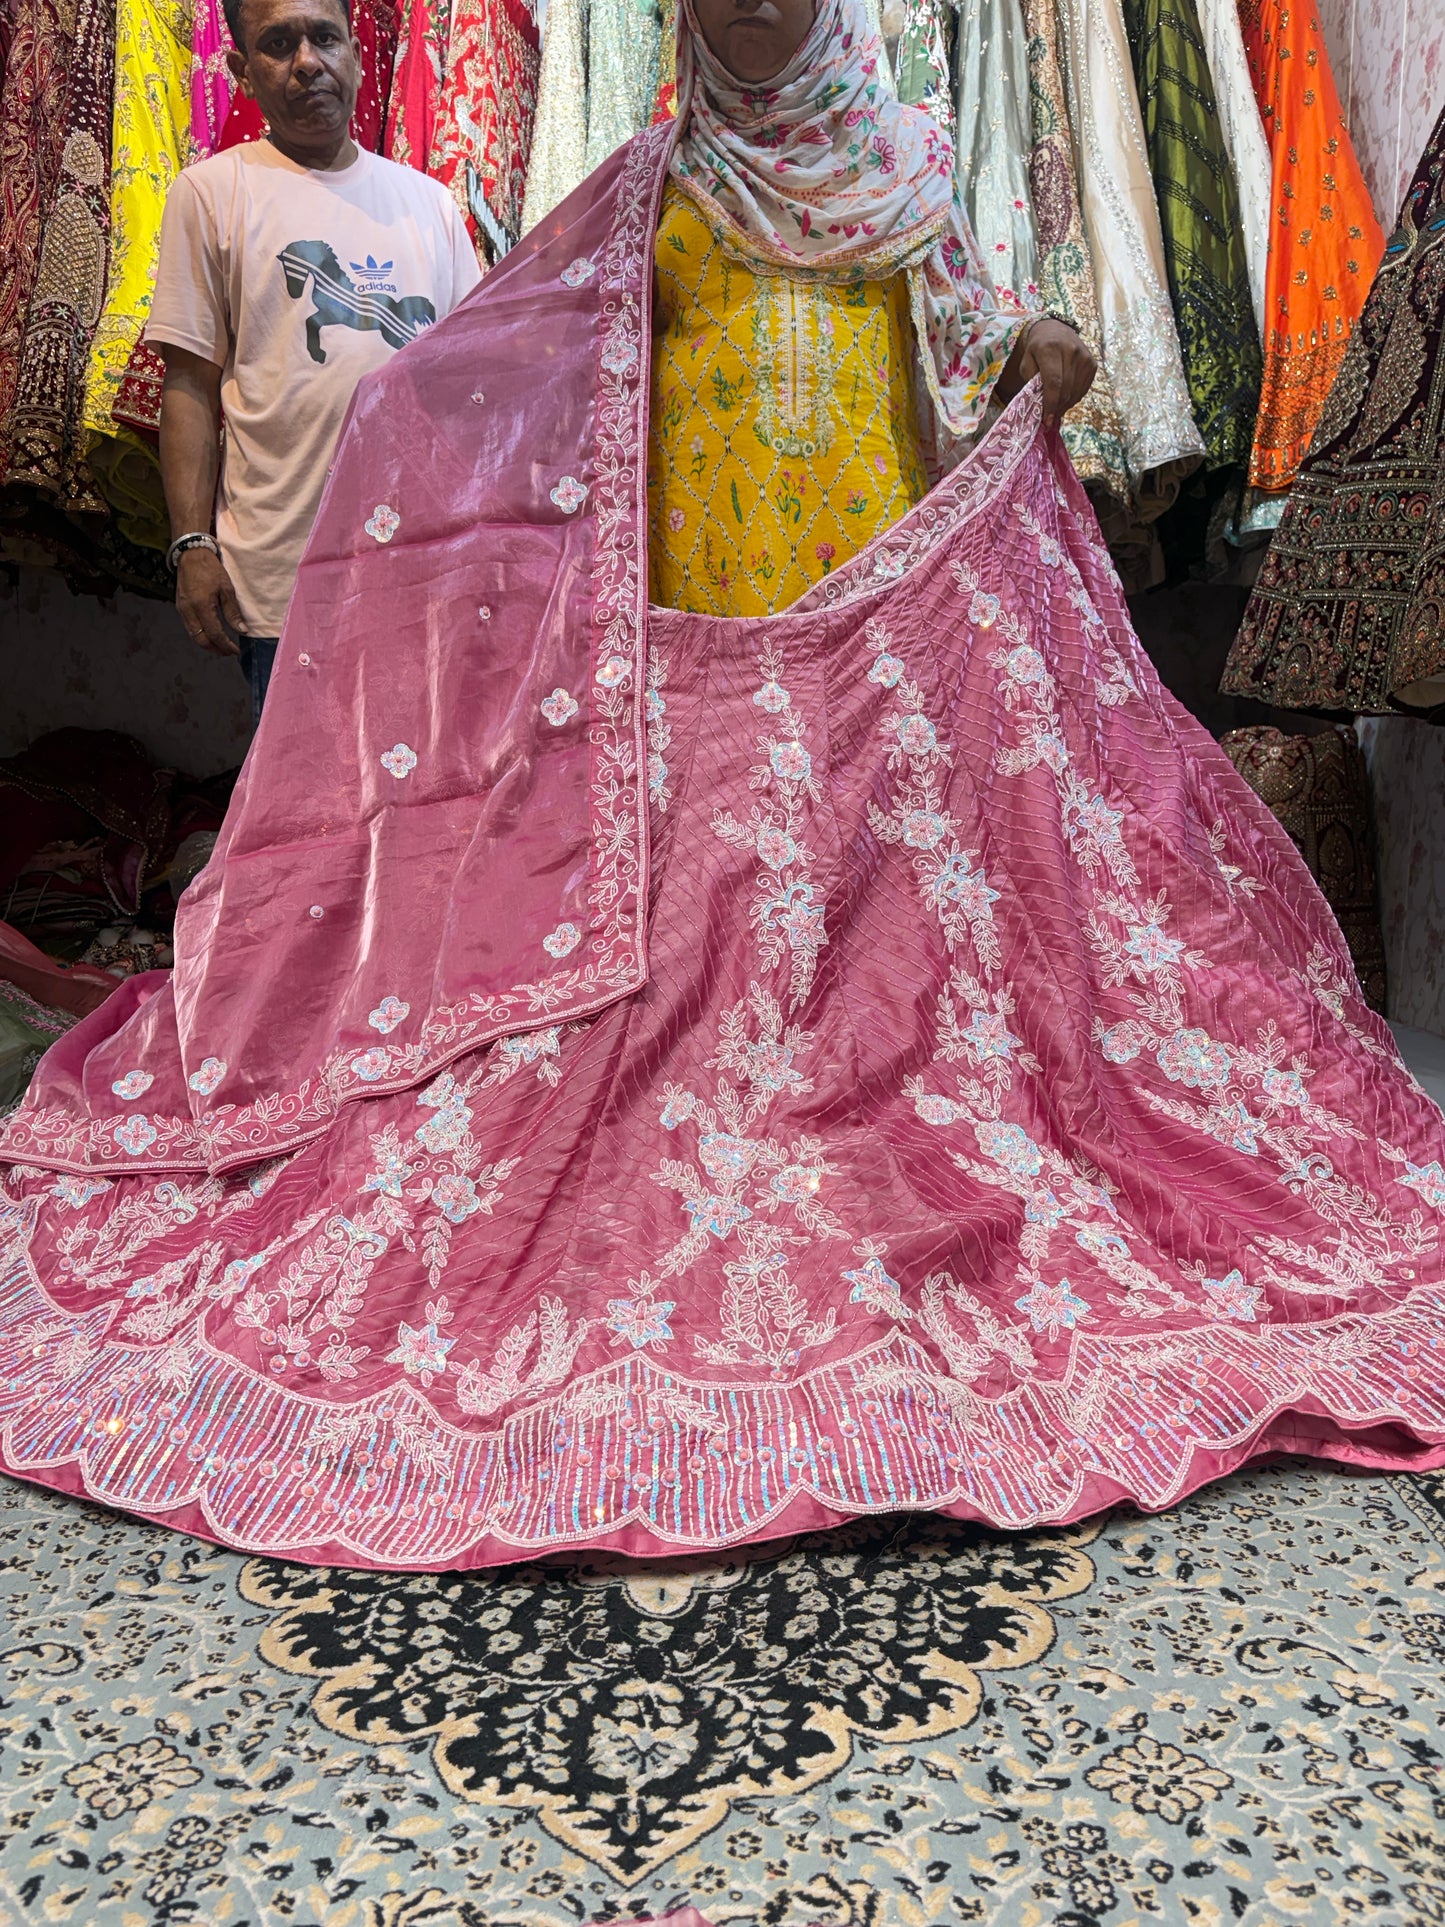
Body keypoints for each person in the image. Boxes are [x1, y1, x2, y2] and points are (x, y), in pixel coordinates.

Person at [0, 0, 1442, 1575]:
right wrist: (369, 453)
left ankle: (871, 1145)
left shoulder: (903, 166)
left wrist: (1036, 349)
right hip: (686, 639)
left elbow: (973, 347)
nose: (752, 7)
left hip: (875, 640)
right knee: (691, 946)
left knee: (891, 944)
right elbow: (515, 363)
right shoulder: (643, 185)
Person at [151, 0, 481, 722]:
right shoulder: (209, 195)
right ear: (242, 71)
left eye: (324, 37)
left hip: (422, 570)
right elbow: (190, 385)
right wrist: (192, 544)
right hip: (283, 580)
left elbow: (474, 390)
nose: (307, 62)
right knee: (302, 790)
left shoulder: (430, 206)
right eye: (278, 44)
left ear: (356, 56)